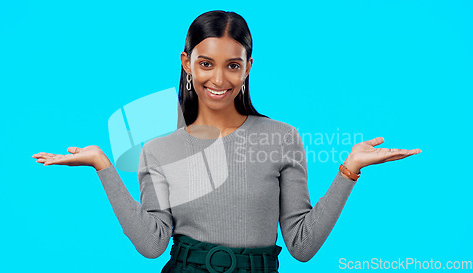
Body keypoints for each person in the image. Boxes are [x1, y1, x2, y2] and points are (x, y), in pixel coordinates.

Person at [32, 10, 421, 273]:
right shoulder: (159, 150)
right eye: (206, 63)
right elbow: (152, 245)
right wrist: (102, 165)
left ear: (248, 67)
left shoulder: (283, 138)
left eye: (232, 65)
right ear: (186, 62)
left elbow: (302, 245)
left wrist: (349, 171)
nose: (219, 79)